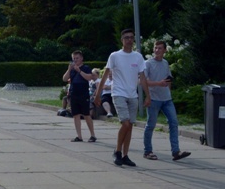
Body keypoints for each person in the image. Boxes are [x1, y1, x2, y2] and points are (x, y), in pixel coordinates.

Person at [94, 29, 151, 167]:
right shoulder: (115, 56)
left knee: (130, 125)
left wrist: (148, 95)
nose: (129, 40)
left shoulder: (138, 57)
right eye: (126, 38)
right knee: (125, 123)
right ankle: (117, 151)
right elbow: (106, 75)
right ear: (122, 40)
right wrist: (98, 94)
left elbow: (142, 78)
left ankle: (125, 155)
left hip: (133, 95)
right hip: (118, 93)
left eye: (131, 38)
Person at [143, 40, 191, 161]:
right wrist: (156, 86)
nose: (157, 50)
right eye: (155, 48)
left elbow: (168, 80)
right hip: (154, 99)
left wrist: (168, 89)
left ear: (165, 50)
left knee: (174, 123)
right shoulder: (148, 63)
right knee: (151, 125)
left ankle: (176, 151)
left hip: (167, 99)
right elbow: (142, 81)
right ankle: (147, 151)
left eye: (160, 48)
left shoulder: (165, 63)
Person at [63, 50, 97, 142]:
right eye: (74, 58)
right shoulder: (72, 70)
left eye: (77, 58)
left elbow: (89, 77)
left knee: (86, 114)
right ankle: (79, 136)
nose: (75, 60)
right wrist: (69, 69)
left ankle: (92, 135)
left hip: (83, 94)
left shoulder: (86, 67)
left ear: (81, 58)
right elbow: (65, 79)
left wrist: (80, 71)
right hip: (74, 94)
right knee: (76, 115)